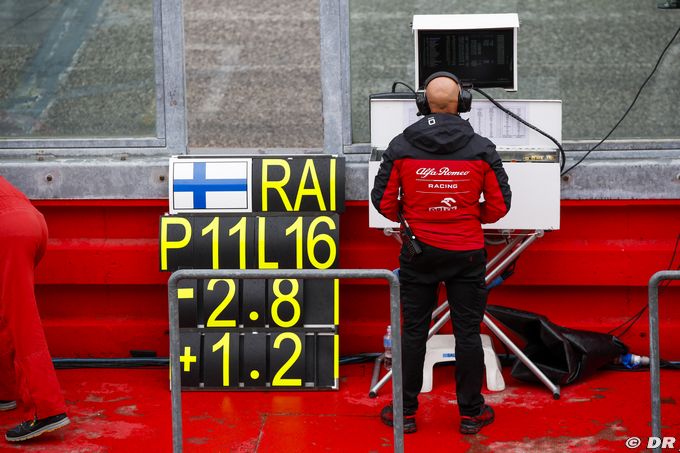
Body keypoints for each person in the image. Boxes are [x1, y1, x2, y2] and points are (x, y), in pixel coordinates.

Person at [371, 73, 511, 435]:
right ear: (462, 103)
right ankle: (470, 414)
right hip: (467, 253)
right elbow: (499, 206)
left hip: (419, 254)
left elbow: (384, 203)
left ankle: (405, 412)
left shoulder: (401, 146)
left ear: (424, 104)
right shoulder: (481, 148)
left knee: (414, 332)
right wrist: (465, 216)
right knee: (467, 333)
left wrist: (419, 215)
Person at [0, 176, 70, 442]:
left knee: (20, 318)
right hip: (31, 221)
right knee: (6, 310)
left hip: (8, 230)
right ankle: (5, 391)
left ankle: (47, 410)